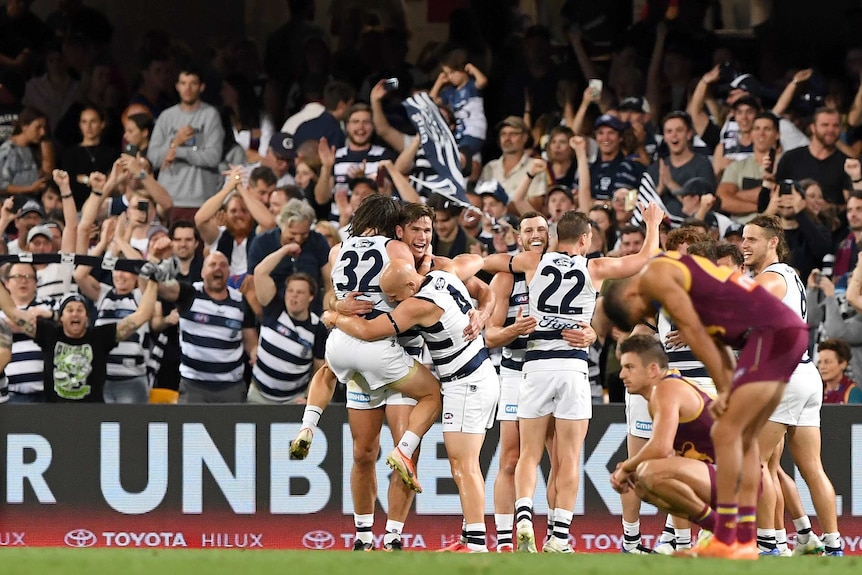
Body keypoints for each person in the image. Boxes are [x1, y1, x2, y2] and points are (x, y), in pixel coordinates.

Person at [602, 251, 810, 558]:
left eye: (639, 311)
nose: (646, 315)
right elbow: (714, 340)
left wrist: (726, 390)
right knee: (743, 436)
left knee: (726, 432)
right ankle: (741, 539)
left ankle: (729, 539)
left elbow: (696, 335)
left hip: (770, 333)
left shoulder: (655, 275)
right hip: (778, 333)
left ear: (632, 293)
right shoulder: (677, 287)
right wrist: (727, 387)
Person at [482, 204, 663, 553]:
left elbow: (489, 262)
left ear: (554, 237)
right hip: (572, 368)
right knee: (567, 457)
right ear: (585, 239)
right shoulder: (593, 266)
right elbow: (643, 259)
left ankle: (522, 517)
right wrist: (652, 223)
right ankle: (559, 538)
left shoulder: (532, 263)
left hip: (534, 367)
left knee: (528, 455)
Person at [290, 195, 448, 551]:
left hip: (349, 347)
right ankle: (374, 537)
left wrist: (333, 308)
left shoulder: (339, 249)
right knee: (379, 452)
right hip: (390, 353)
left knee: (375, 453)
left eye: (425, 229)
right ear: (398, 227)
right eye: (414, 228)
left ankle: (385, 537)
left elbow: (333, 293)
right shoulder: (399, 251)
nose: (420, 235)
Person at [323, 258, 498, 553]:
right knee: (465, 463)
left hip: (466, 383)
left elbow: (368, 332)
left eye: (392, 295)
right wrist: (483, 311)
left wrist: (334, 317)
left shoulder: (418, 305)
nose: (390, 301)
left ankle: (478, 545)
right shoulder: (446, 272)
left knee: (464, 466)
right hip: (477, 376)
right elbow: (478, 264)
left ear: (409, 284)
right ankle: (468, 537)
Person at [483, 210, 596, 552]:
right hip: (516, 372)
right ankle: (508, 539)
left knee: (559, 459)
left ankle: (552, 536)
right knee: (510, 457)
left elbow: (587, 323)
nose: (535, 233)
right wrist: (512, 331)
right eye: (528, 229)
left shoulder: (554, 270)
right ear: (518, 238)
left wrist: (590, 333)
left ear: (551, 235)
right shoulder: (507, 278)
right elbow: (489, 336)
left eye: (541, 228)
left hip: (545, 368)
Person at [742, 215, 843, 556]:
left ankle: (770, 544)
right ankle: (833, 545)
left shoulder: (770, 277)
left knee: (755, 463)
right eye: (743, 238)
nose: (744, 245)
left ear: (773, 242)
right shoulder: (791, 275)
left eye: (752, 239)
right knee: (810, 467)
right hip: (804, 375)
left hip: (783, 378)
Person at [609, 335, 721, 553]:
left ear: (652, 370)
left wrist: (625, 468)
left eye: (629, 367)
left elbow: (661, 448)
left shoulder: (665, 390)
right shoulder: (664, 390)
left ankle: (721, 529)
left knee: (648, 473)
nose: (622, 375)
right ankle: (717, 528)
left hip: (738, 477)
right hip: (723, 475)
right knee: (641, 483)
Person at [0, 262, 158, 402]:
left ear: (87, 317)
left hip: (91, 416)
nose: (75, 313)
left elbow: (142, 315)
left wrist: (153, 281)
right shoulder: (49, 333)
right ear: (61, 318)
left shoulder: (99, 337)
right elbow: (12, 311)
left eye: (79, 310)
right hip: (54, 415)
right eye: (69, 310)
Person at [157, 251, 258, 403]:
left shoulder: (240, 301)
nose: (218, 268)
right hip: (193, 385)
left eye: (223, 265)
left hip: (231, 387)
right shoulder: (189, 293)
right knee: (190, 427)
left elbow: (249, 339)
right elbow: (160, 288)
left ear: (229, 272)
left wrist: (254, 352)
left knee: (229, 427)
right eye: (212, 264)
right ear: (203, 272)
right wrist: (154, 265)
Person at [147, 65, 224, 222]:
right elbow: (153, 158)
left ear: (201, 87)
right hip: (169, 201)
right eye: (183, 83)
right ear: (177, 86)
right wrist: (175, 142)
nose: (187, 88)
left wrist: (178, 151)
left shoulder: (210, 116)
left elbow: (213, 156)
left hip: (201, 200)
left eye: (193, 83)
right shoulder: (166, 117)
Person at [0, 262, 53, 403]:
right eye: (17, 276)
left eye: (29, 276)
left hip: (47, 393)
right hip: (11, 393)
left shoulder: (50, 305)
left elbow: (60, 330)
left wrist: (11, 324)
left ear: (36, 283)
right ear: (6, 283)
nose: (23, 280)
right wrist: (36, 323)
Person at [819, 338, 862, 404]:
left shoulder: (852, 392)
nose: (822, 367)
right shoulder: (816, 390)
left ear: (843, 364)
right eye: (819, 362)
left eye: (827, 362)